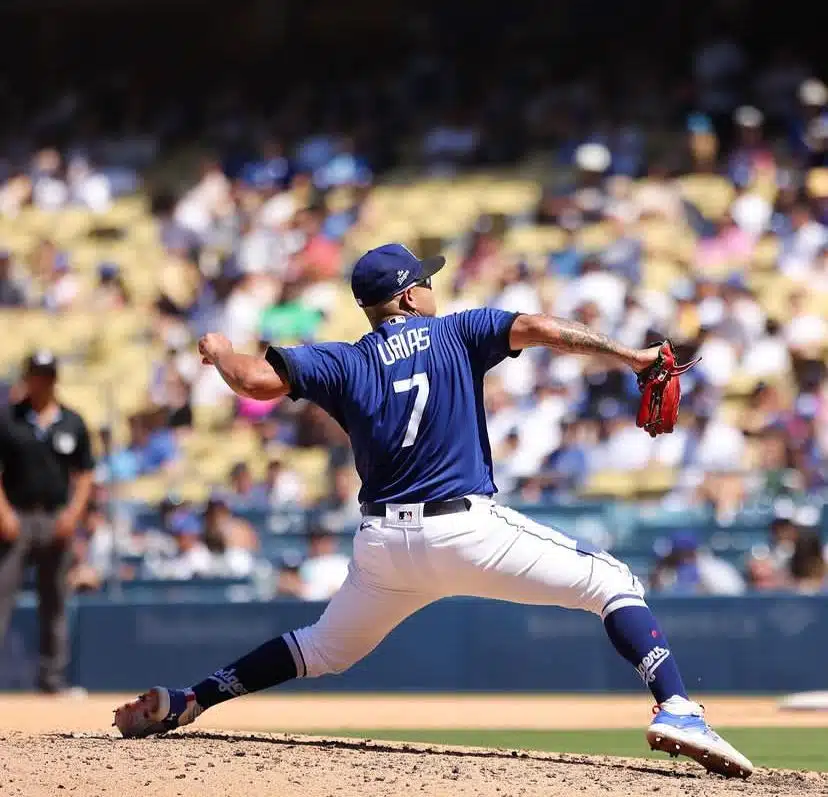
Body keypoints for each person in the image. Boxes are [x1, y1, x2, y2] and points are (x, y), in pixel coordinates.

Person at [114, 243, 752, 778]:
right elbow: (538, 328)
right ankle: (678, 708)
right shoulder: (459, 331)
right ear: (412, 295)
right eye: (429, 282)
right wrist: (632, 357)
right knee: (613, 582)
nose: (435, 291)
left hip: (384, 548)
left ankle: (189, 699)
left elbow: (252, 382)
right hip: (465, 528)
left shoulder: (343, 357)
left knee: (324, 648)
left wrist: (221, 349)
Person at [0, 351, 94, 692]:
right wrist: (4, 512)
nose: (43, 381)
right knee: (1, 596)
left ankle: (52, 680)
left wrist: (72, 515)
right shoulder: (9, 419)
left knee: (54, 601)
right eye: (37, 374)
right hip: (16, 518)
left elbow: (84, 474)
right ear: (28, 377)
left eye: (48, 374)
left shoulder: (72, 421)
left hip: (56, 518)